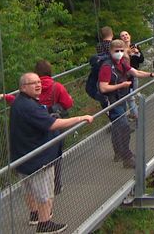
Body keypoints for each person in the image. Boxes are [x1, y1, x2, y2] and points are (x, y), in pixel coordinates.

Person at [10, 72, 93, 233]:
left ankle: (35, 215)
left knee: (29, 188)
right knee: (45, 192)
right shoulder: (29, 106)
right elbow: (53, 124)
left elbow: (39, 116)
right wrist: (80, 118)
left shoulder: (20, 102)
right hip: (38, 157)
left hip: (22, 155)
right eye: (32, 83)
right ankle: (45, 223)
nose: (38, 85)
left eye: (38, 82)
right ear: (22, 87)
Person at [99, 40, 154, 168]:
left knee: (118, 127)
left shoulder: (121, 62)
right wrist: (121, 85)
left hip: (121, 98)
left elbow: (136, 72)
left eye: (121, 50)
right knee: (124, 126)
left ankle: (119, 153)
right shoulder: (106, 67)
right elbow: (103, 88)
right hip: (112, 101)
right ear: (110, 51)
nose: (119, 53)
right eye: (116, 51)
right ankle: (127, 157)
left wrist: (152, 74)